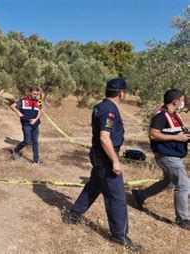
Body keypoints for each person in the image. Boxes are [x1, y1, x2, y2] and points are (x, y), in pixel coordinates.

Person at [65, 78, 141, 251]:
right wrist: (115, 160)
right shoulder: (109, 110)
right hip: (106, 157)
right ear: (121, 92)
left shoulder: (101, 105)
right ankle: (119, 235)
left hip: (100, 155)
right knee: (117, 196)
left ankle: (74, 213)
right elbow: (104, 137)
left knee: (94, 186)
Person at [132, 89, 190, 230]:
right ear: (175, 102)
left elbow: (178, 133)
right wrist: (177, 138)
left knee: (168, 182)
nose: (183, 103)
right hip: (167, 156)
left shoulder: (175, 116)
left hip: (174, 155)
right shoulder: (161, 116)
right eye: (182, 100)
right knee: (183, 185)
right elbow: (153, 135)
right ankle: (182, 219)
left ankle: (140, 195)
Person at [10, 87, 43, 164]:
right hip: (26, 124)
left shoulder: (39, 101)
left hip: (36, 124)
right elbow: (12, 106)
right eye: (34, 94)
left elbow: (40, 111)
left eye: (37, 94)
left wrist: (35, 119)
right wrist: (18, 113)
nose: (36, 95)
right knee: (27, 141)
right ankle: (16, 150)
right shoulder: (23, 100)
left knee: (35, 142)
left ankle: (36, 160)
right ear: (30, 92)